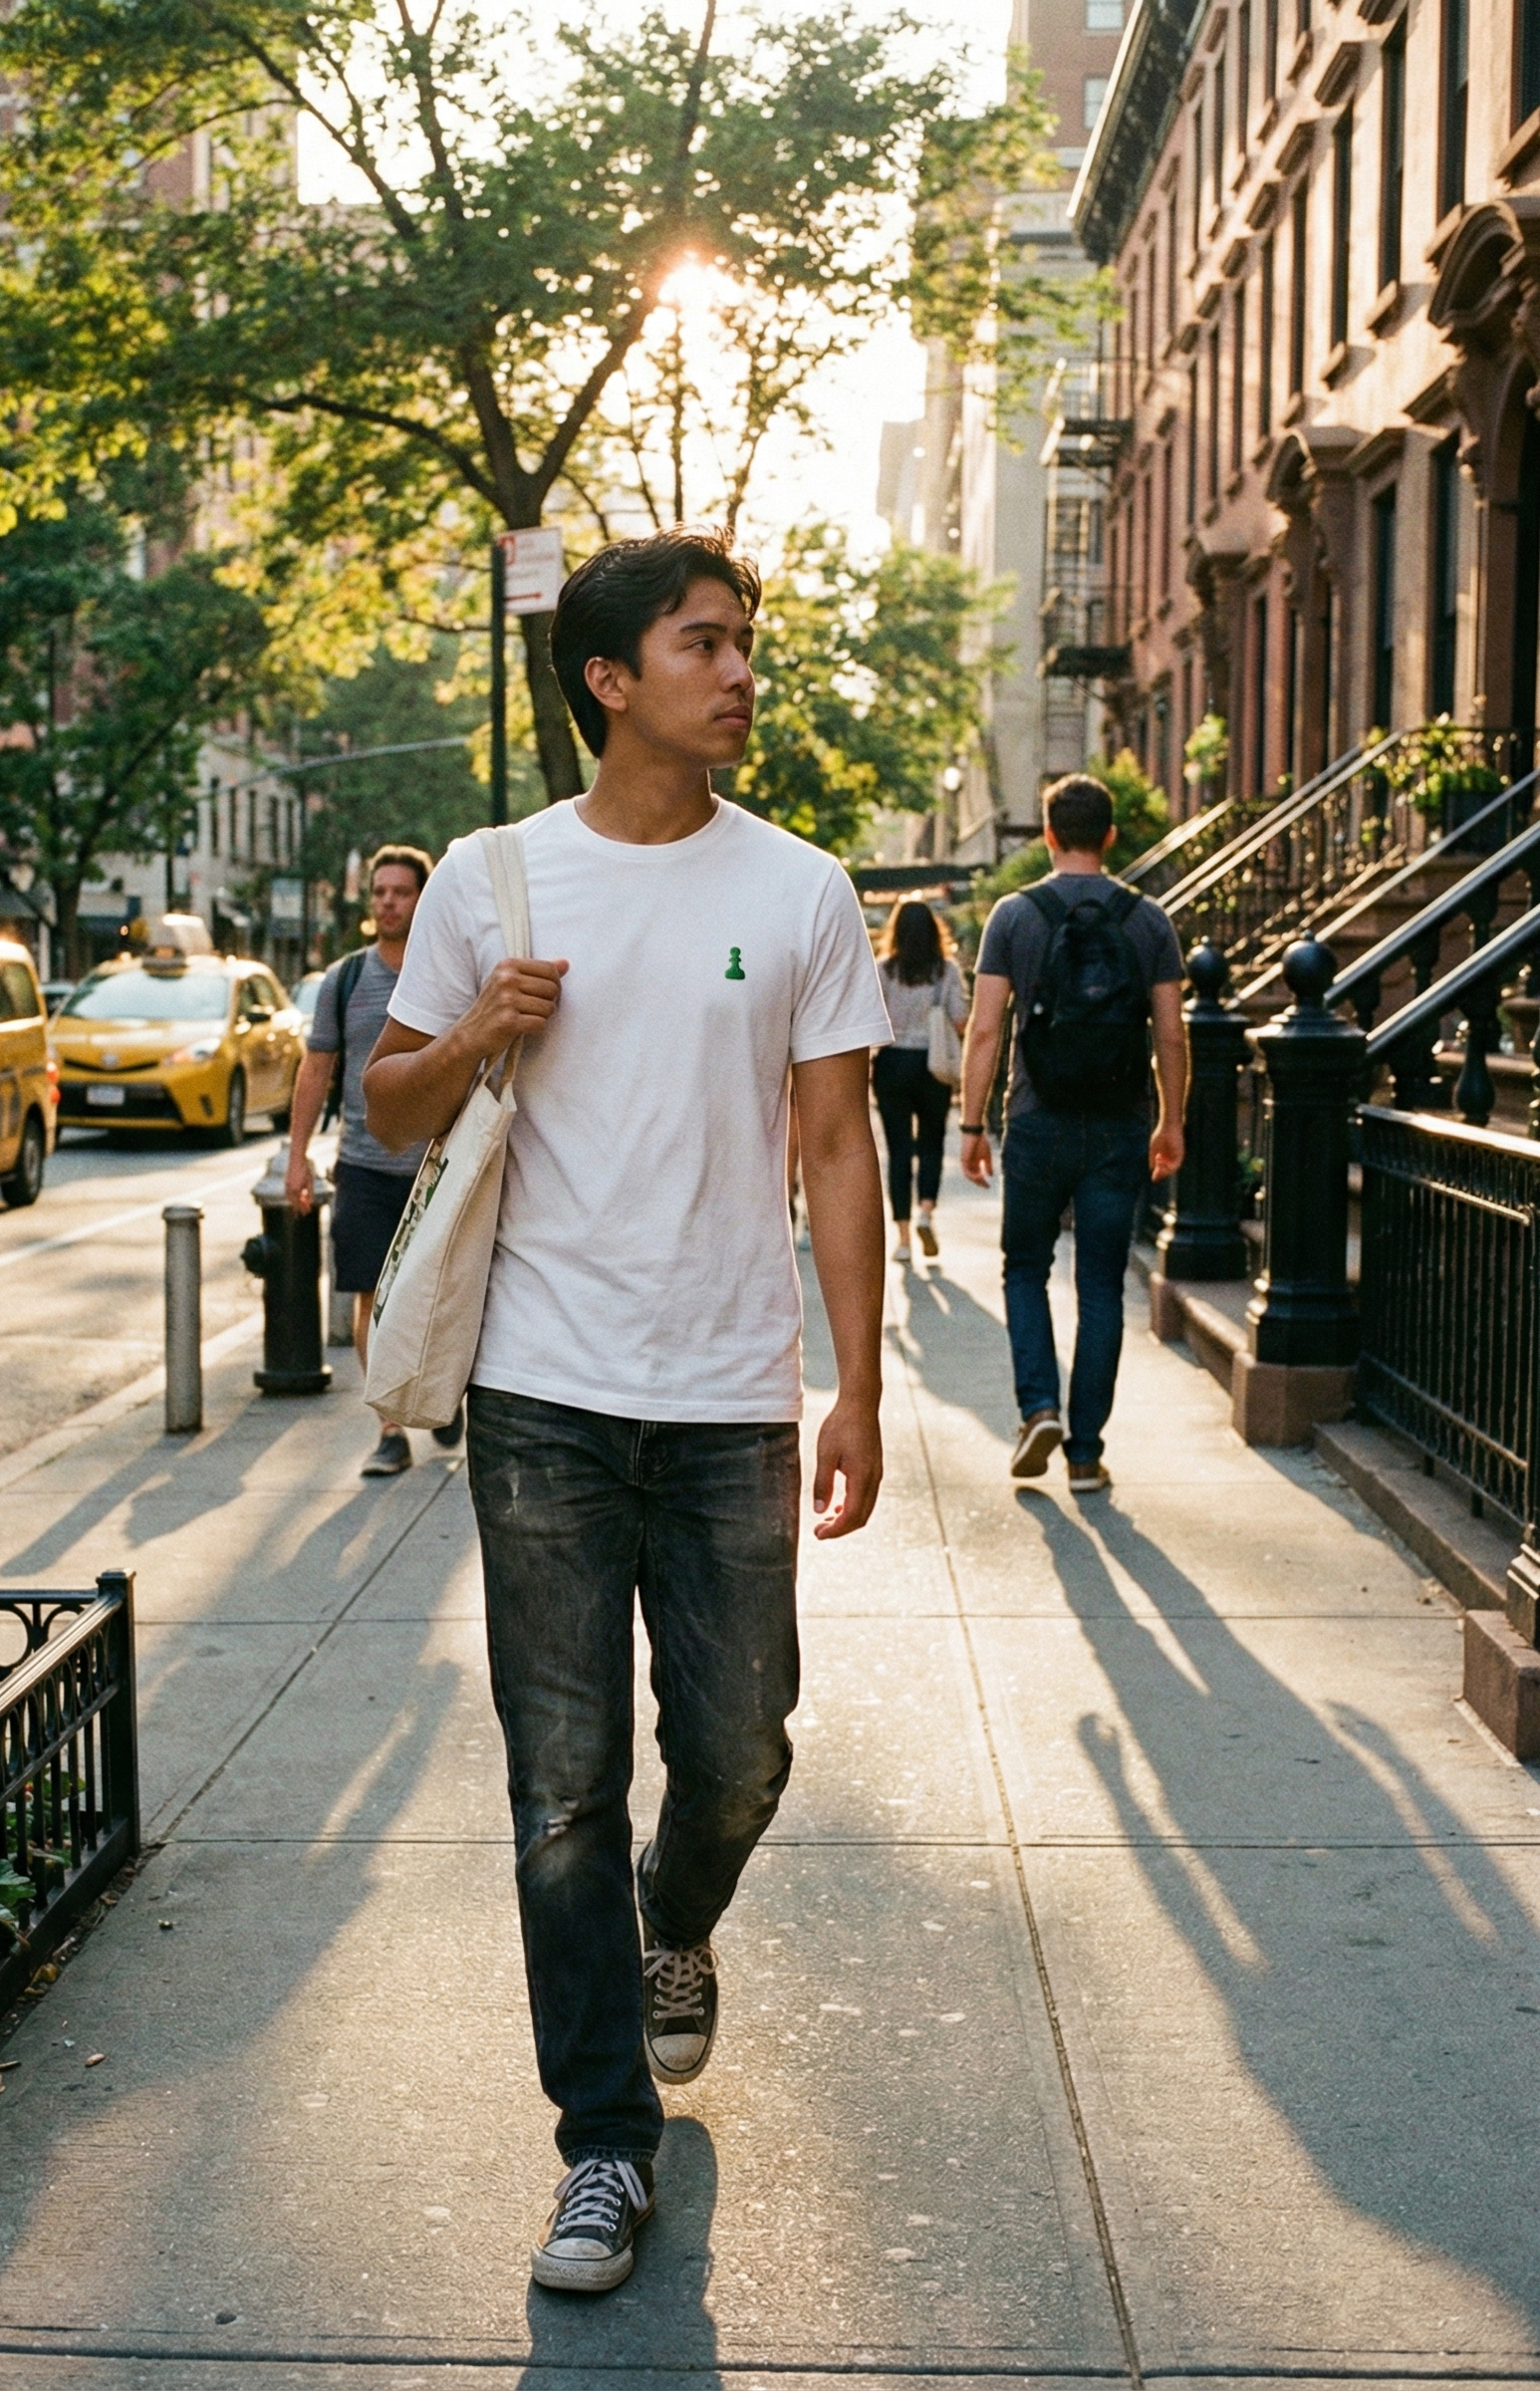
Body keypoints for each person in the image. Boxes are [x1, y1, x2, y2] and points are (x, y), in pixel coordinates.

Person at [363, 528, 890, 2295]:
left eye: (746, 644)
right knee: (559, 1790)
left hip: (733, 1394)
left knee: (739, 1752)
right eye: (705, 645)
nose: (741, 673)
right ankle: (603, 2145)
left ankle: (679, 1929)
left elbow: (833, 1147)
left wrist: (858, 1388)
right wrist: (474, 1034)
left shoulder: (802, 888)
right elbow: (387, 1110)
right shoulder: (494, 882)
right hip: (545, 1405)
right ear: (608, 680)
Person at [958, 772, 1186, 1494]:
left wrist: (971, 1123)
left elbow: (987, 1027)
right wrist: (1170, 1119)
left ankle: (1038, 1407)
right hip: (1119, 1128)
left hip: (1035, 1122)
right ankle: (1085, 1452)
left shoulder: (1015, 917)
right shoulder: (1147, 920)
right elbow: (1173, 1034)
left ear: (1049, 835)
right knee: (1100, 1287)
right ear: (1110, 837)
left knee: (1024, 1268)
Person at [284, 843, 459, 1476]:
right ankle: (389, 1426)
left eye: (401, 892)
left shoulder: (449, 972)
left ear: (423, 897)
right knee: (368, 1298)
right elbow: (318, 1067)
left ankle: (443, 1395)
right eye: (380, 891)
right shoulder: (346, 979)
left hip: (437, 1168)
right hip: (361, 1165)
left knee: (443, 1298)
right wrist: (296, 1156)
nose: (388, 901)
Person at [873, 901, 967, 1264]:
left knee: (898, 1150)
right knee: (931, 1142)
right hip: (933, 1064)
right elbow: (960, 1020)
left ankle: (902, 1239)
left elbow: (870, 1019)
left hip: (892, 1063)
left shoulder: (884, 971)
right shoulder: (946, 971)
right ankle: (927, 1212)